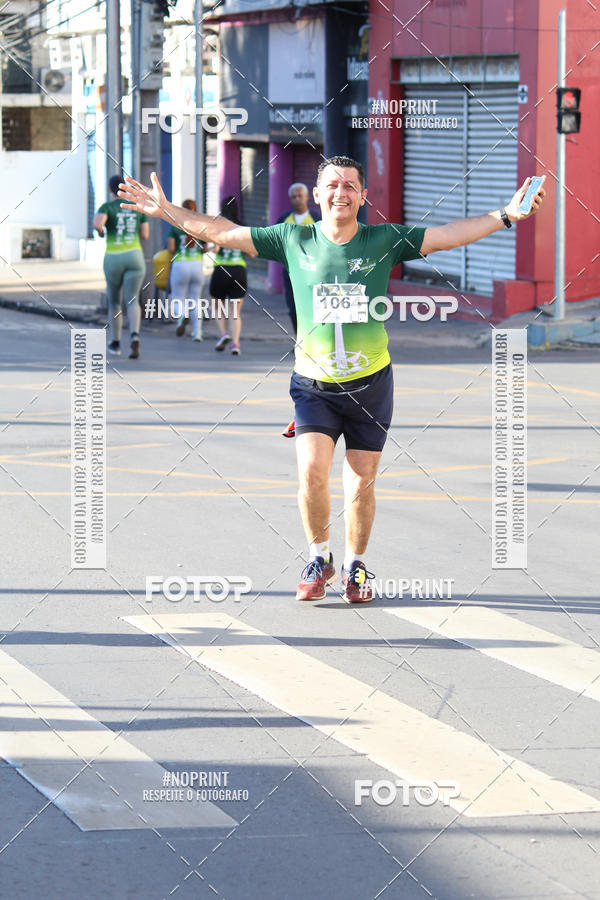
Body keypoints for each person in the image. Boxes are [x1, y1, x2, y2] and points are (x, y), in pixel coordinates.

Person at [117, 156, 545, 603]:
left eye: (350, 186)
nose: (340, 193)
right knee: (312, 473)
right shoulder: (292, 237)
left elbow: (447, 236)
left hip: (370, 384)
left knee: (361, 482)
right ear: (316, 196)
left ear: (363, 197)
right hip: (312, 386)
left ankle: (356, 567)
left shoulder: (384, 239)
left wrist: (505, 216)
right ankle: (319, 558)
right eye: (331, 186)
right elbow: (222, 231)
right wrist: (167, 210)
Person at [94, 174, 149, 358]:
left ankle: (115, 342)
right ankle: (134, 335)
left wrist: (102, 231)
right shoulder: (136, 208)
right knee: (133, 299)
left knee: (115, 301)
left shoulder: (107, 207)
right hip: (135, 256)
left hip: (113, 257)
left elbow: (97, 224)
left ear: (111, 190)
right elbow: (145, 235)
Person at [276, 183, 321, 334]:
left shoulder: (316, 218)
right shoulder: (284, 219)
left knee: (312, 307)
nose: (297, 199)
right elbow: (274, 241)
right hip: (291, 271)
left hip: (313, 272)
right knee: (293, 307)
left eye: (300, 196)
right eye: (294, 197)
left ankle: (313, 339)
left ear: (307, 197)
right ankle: (300, 340)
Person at [209, 196, 247, 355]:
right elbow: (250, 252)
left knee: (217, 307)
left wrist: (210, 248)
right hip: (239, 270)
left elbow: (216, 249)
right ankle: (236, 344)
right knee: (235, 312)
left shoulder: (219, 225)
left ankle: (223, 334)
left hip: (221, 269)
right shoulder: (243, 226)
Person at [167, 199, 206, 341]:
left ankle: (182, 317)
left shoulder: (175, 226)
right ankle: (197, 333)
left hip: (180, 265)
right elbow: (205, 248)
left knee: (178, 298)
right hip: (197, 266)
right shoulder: (201, 226)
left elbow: (171, 248)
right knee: (196, 300)